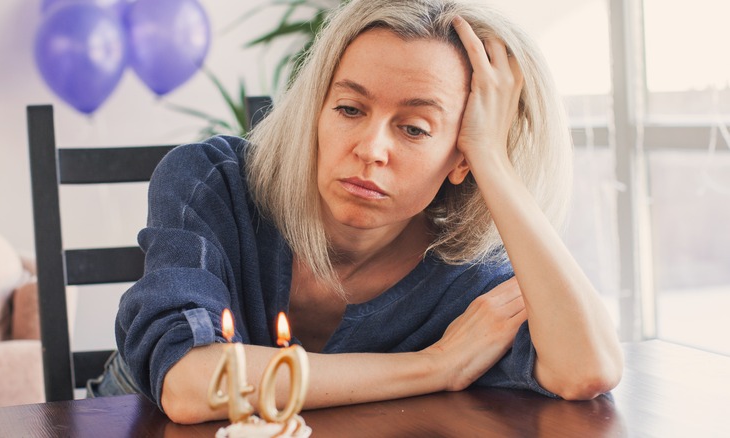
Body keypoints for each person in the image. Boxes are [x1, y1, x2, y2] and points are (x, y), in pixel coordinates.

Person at [108, 0, 623, 424]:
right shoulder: (212, 181)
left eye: (415, 128)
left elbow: (588, 369)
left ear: (460, 158)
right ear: (316, 108)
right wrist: (434, 366)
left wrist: (493, 159)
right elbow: (191, 384)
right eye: (350, 109)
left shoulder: (467, 274)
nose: (371, 148)